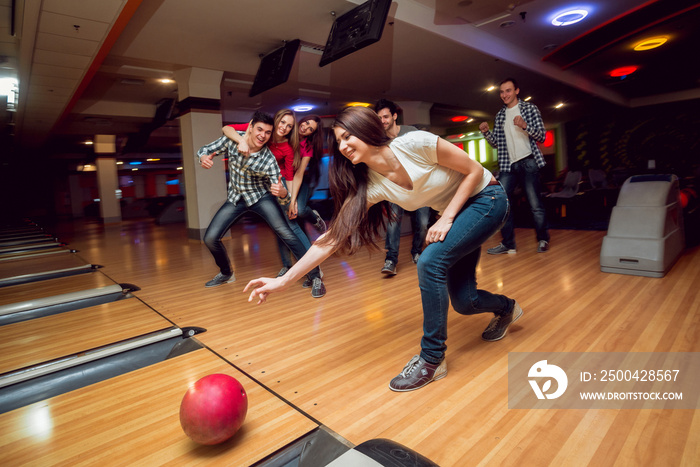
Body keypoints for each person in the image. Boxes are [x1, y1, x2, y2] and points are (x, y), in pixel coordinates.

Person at [245, 107, 522, 392]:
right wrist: (284, 280)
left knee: (429, 262)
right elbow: (331, 238)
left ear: (365, 129)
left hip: (488, 198)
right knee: (465, 302)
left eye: (347, 136)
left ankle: (432, 359)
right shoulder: (371, 185)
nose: (342, 146)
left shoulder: (415, 144)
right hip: (460, 217)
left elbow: (475, 170)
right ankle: (507, 308)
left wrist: (448, 217)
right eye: (338, 141)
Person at [199, 110, 326, 298]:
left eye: (267, 133)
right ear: (250, 127)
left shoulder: (269, 160)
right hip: (236, 198)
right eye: (259, 130)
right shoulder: (234, 140)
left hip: (261, 198)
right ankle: (226, 273)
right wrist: (203, 157)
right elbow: (206, 149)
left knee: (287, 233)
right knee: (210, 238)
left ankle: (315, 276)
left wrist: (285, 195)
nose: (262, 136)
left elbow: (284, 185)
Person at [479, 78, 550, 254]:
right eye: (502, 92)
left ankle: (543, 239)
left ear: (517, 91)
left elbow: (542, 136)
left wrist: (525, 126)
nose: (504, 95)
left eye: (508, 91)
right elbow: (496, 144)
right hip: (508, 165)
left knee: (535, 204)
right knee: (503, 203)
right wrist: (486, 133)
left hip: (528, 162)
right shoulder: (500, 115)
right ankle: (508, 244)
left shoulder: (529, 108)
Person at [374, 98, 432, 275]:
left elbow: (425, 155)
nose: (382, 121)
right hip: (396, 189)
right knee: (393, 223)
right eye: (379, 118)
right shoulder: (380, 141)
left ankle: (416, 251)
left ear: (394, 116)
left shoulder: (410, 132)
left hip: (419, 186)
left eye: (385, 117)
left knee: (422, 223)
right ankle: (391, 259)